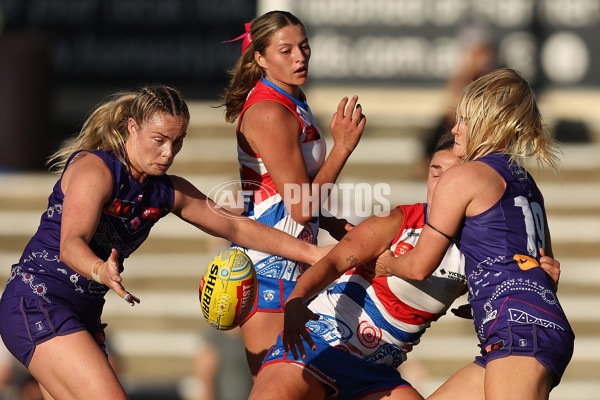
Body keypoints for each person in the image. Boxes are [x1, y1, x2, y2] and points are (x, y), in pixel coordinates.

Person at [0, 85, 331, 400]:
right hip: (37, 301)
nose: (168, 153)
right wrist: (100, 269)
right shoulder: (96, 170)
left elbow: (237, 228)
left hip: (78, 313)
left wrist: (312, 252)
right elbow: (70, 244)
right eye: (159, 140)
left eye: (178, 141)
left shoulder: (165, 190)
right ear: (132, 127)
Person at [248, 138, 561, 400]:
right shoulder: (398, 222)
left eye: (450, 175)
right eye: (434, 172)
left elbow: (509, 282)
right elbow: (331, 262)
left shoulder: (482, 244)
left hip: (377, 372)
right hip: (319, 345)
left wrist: (536, 281)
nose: (439, 183)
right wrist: (295, 300)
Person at [375, 68, 574, 400]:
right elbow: (544, 270)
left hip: (518, 332)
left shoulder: (464, 176)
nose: (454, 128)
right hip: (529, 325)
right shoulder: (525, 182)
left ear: (490, 122)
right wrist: (486, 292)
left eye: (464, 119)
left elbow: (419, 266)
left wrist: (386, 263)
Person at [221, 10, 365, 377]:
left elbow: (294, 188)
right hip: (268, 269)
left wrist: (331, 221)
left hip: (296, 260)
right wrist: (342, 148)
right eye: (286, 51)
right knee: (278, 386)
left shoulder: (290, 97)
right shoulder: (270, 110)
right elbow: (300, 208)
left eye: (304, 47)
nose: (300, 57)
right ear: (260, 58)